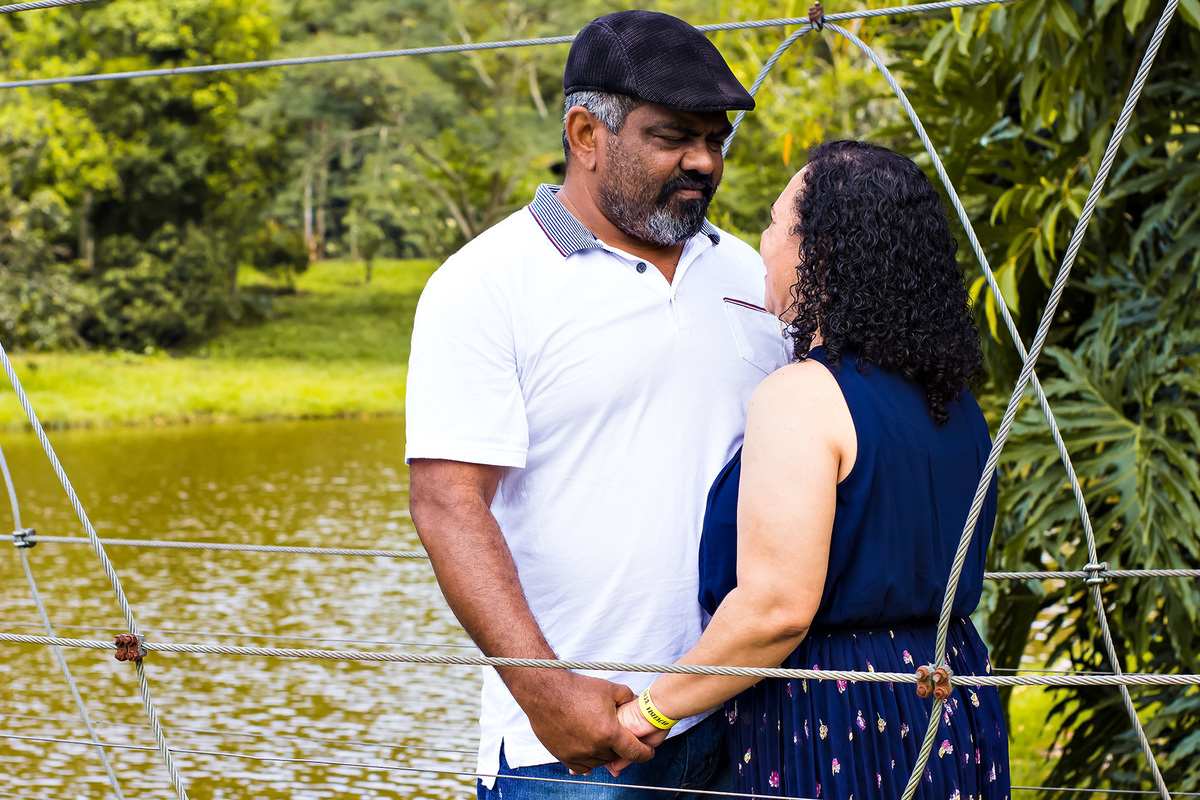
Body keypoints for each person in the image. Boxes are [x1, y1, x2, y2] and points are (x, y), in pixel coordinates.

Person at [405, 10, 790, 798]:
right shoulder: (484, 283)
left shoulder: (752, 275)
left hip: (745, 720)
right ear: (586, 134)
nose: (703, 161)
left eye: (714, 140)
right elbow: (447, 501)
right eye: (672, 137)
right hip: (576, 743)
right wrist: (545, 692)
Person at [608, 140, 1012, 800]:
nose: (761, 244)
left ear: (818, 252)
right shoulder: (953, 399)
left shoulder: (802, 395)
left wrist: (648, 712)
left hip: (839, 712)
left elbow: (775, 608)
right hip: (948, 693)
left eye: (773, 223)